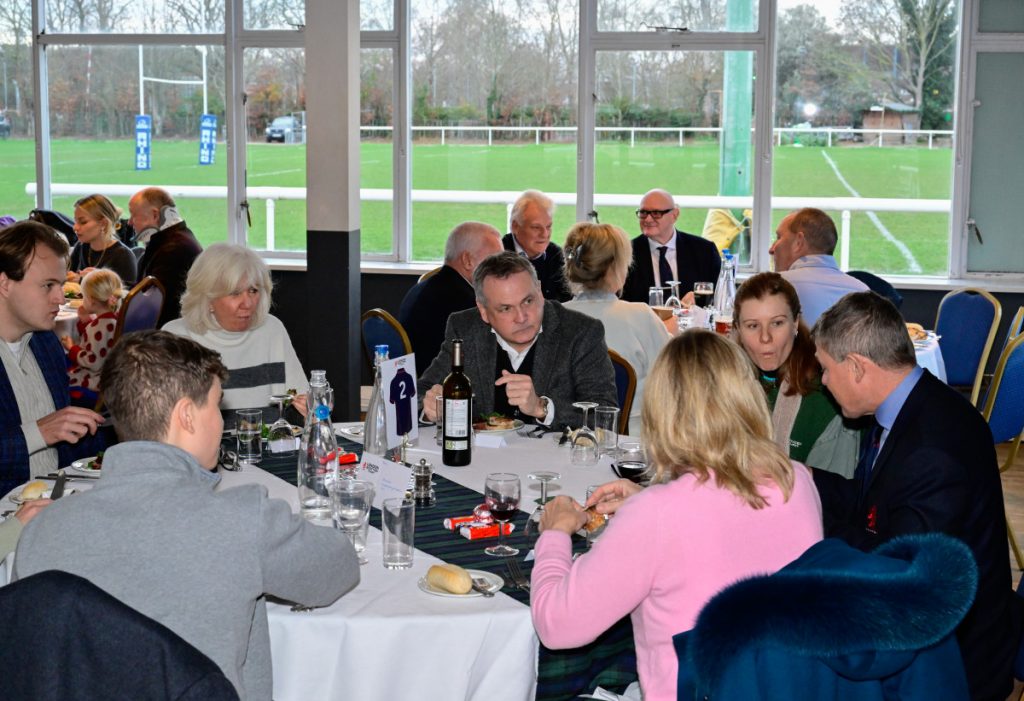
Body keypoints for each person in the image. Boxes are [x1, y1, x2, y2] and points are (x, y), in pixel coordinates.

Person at [14, 330, 359, 700]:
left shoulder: (40, 533)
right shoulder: (242, 519)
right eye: (215, 406)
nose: (220, 421)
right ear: (187, 416)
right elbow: (337, 570)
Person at [531, 330, 823, 701]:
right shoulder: (796, 480)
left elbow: (557, 627)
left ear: (663, 412)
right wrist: (650, 502)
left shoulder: (657, 515)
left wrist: (554, 533)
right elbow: (726, 527)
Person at [812, 291, 1020, 701]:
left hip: (955, 659)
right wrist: (800, 479)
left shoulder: (932, 449)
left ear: (856, 367)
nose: (823, 381)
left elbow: (902, 570)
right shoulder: (910, 404)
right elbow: (872, 504)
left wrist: (807, 523)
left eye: (825, 369)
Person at [418, 251, 617, 427]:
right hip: (481, 455)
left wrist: (542, 408)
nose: (521, 317)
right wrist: (429, 409)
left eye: (528, 301)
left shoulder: (581, 332)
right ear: (484, 311)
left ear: (539, 291)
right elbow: (420, 394)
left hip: (552, 456)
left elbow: (604, 415)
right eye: (506, 308)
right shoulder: (465, 329)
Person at [0, 221, 105, 496]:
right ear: (4, 283)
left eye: (60, 284)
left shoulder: (45, 343)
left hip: (55, 501)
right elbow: (45, 433)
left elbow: (67, 444)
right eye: (48, 285)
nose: (60, 298)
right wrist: (37, 433)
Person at [733, 272, 860, 477]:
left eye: (777, 323)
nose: (765, 337)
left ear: (795, 323)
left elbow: (833, 490)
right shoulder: (725, 384)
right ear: (737, 329)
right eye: (753, 326)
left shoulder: (827, 392)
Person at [163, 243, 308, 413]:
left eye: (253, 291)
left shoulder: (272, 329)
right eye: (235, 293)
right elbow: (163, 416)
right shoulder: (177, 338)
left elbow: (299, 396)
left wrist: (311, 406)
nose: (248, 303)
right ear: (208, 299)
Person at [561, 221, 670, 435]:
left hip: (564, 437)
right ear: (616, 268)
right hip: (633, 441)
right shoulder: (642, 316)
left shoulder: (553, 318)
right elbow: (671, 384)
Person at [399, 221, 503, 376]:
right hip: (442, 384)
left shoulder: (423, 287)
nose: (501, 269)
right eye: (494, 261)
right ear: (467, 260)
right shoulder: (466, 305)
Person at [619, 188, 722, 304]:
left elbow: (721, 296)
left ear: (675, 215)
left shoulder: (704, 251)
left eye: (656, 213)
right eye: (643, 213)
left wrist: (697, 301)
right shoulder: (625, 253)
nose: (647, 219)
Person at [771, 208, 868, 325]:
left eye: (779, 238)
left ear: (798, 243)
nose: (771, 249)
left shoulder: (771, 288)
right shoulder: (864, 293)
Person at [129, 187, 203, 328]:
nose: (130, 222)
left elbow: (155, 305)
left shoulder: (174, 249)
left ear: (155, 215)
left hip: (168, 333)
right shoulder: (174, 240)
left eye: (133, 215)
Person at [61, 268, 124, 407]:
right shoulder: (112, 320)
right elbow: (98, 342)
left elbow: (93, 362)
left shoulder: (99, 326)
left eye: (84, 296)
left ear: (91, 300)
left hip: (96, 381)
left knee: (60, 370)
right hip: (111, 375)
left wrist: (72, 348)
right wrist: (86, 322)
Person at [501, 190, 572, 302]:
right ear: (515, 226)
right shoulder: (498, 254)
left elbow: (566, 301)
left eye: (548, 227)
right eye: (536, 227)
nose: (545, 234)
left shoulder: (556, 255)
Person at [66, 194, 137, 286]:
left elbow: (126, 293)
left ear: (103, 223)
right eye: (75, 221)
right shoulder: (81, 246)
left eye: (83, 222)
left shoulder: (123, 255)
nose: (75, 227)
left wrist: (87, 280)